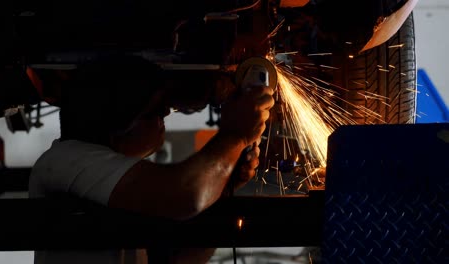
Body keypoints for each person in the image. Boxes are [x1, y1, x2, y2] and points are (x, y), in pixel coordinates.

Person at [28, 56, 275, 264]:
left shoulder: (121, 189)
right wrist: (234, 135)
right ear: (118, 124)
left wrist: (223, 186)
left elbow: (184, 256)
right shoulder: (64, 160)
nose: (166, 113)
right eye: (156, 110)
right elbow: (188, 196)